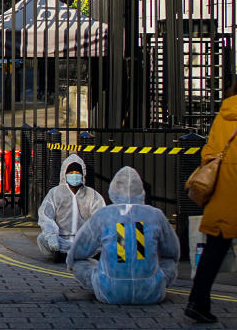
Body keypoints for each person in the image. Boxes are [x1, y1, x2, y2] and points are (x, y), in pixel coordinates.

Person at [67, 166, 179, 305]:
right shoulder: (155, 214)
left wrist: (72, 261)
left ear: (113, 189)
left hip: (109, 292)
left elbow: (79, 250)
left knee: (78, 262)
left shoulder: (104, 215)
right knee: (170, 262)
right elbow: (172, 251)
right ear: (141, 191)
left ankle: (107, 283)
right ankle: (150, 282)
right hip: (151, 293)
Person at [185, 80, 237, 323]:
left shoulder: (224, 114)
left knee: (213, 253)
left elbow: (209, 152)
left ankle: (197, 301)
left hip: (223, 193)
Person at [37, 154, 105, 262]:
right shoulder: (55, 193)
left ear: (82, 174)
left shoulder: (92, 195)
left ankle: (74, 254)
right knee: (42, 238)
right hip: (61, 239)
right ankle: (63, 253)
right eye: (71, 173)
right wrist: (52, 236)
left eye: (77, 173)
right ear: (65, 174)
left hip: (84, 240)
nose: (74, 175)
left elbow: (100, 218)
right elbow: (46, 216)